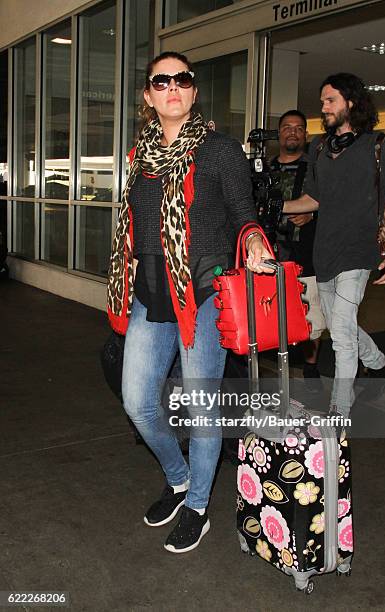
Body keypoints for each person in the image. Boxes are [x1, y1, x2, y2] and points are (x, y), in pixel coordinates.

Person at [107, 51, 269, 553]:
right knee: (137, 401)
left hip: (203, 292)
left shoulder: (220, 150)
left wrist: (257, 242)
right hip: (151, 292)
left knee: (202, 410)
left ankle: (198, 507)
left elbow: (244, 210)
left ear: (193, 92)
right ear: (149, 97)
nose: (173, 86)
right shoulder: (141, 156)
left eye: (182, 79)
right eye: (162, 80)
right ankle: (177, 479)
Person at [282, 73, 385, 417]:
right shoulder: (320, 148)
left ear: (350, 103)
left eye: (329, 101)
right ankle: (381, 366)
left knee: (340, 332)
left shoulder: (380, 145)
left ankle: (339, 410)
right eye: (322, 101)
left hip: (359, 251)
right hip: (325, 252)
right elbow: (313, 199)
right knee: (342, 324)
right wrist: (275, 206)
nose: (323, 107)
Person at [271, 109, 326, 392]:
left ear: (305, 134)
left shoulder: (317, 169)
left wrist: (312, 215)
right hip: (272, 254)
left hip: (307, 253)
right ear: (279, 133)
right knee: (273, 310)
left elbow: (332, 205)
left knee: (310, 312)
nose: (292, 132)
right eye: (287, 127)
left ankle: (311, 366)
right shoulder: (266, 170)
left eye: (298, 128)